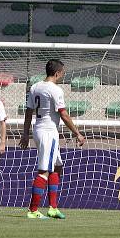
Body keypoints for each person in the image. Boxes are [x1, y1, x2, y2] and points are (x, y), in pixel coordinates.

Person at [18, 59, 85, 219]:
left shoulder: (35, 87)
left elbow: (28, 112)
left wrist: (26, 133)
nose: (63, 75)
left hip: (39, 129)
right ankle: (33, 210)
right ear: (57, 73)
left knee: (57, 167)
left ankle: (53, 208)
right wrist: (77, 133)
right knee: (44, 171)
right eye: (62, 73)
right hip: (49, 132)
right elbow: (63, 114)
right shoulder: (56, 90)